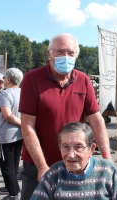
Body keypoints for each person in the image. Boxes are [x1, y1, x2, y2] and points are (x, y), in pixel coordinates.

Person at [19, 33, 112, 199]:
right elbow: (27, 126)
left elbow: (96, 120)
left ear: (76, 56)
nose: (65, 57)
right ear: (49, 54)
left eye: (70, 53)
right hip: (38, 164)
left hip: (73, 162)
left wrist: (107, 157)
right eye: (60, 51)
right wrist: (41, 166)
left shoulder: (83, 80)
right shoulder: (32, 79)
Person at [31, 122, 117, 200]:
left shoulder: (107, 172)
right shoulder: (53, 175)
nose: (71, 155)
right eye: (65, 146)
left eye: (78, 147)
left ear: (91, 149)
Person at [0, 68, 23, 200]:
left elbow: (8, 115)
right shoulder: (22, 92)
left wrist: (21, 123)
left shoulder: (5, 94)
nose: (4, 80)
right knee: (14, 163)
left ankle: (13, 193)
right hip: (19, 135)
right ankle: (10, 185)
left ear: (9, 80)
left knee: (6, 165)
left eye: (5, 78)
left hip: (6, 136)